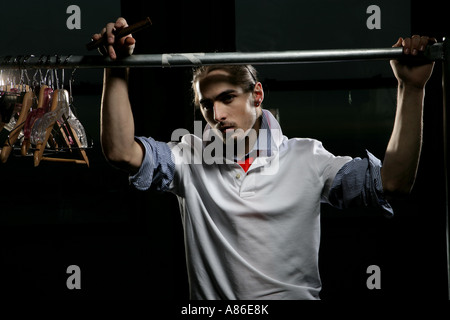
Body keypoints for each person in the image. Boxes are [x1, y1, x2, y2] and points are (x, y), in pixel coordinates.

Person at [92, 17, 436, 299]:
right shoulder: (189, 157)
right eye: (206, 104)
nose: (217, 114)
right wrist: (116, 69)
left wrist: (412, 89)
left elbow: (392, 183)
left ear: (256, 95)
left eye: (227, 98)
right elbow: (121, 152)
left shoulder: (308, 158)